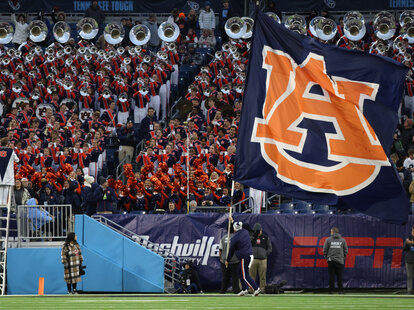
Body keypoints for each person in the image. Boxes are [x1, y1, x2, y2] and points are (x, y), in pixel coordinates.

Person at [226, 217, 260, 296]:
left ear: (234, 229)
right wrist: (232, 221)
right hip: (249, 255)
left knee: (245, 275)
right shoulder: (245, 231)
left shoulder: (235, 238)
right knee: (240, 272)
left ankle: (256, 288)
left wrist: (227, 259)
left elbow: (231, 250)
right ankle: (244, 289)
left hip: (244, 256)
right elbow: (242, 224)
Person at [323, 227, 348, 294]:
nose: (330, 232)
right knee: (339, 276)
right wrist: (342, 258)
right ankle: (341, 291)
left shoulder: (328, 240)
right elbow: (346, 251)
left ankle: (331, 291)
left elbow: (324, 250)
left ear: (332, 232)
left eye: (331, 231)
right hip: (340, 261)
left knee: (331, 276)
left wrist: (327, 258)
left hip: (331, 260)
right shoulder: (343, 240)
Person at [249, 223, 272, 292]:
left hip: (263, 260)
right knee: (251, 276)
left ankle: (262, 289)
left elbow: (269, 248)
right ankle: (251, 289)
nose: (259, 232)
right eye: (257, 230)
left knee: (262, 276)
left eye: (259, 230)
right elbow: (248, 245)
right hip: (253, 259)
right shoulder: (251, 238)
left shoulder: (265, 238)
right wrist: (253, 237)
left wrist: (265, 254)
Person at [219, 224, 240, 294]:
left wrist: (221, 258)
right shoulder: (236, 238)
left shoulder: (223, 238)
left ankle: (222, 291)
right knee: (235, 277)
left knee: (225, 277)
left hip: (224, 260)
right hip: (234, 260)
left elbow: (220, 250)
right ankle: (236, 291)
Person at [403, 227, 414, 294]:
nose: (413, 233)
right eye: (413, 231)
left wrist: (411, 242)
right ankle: (409, 291)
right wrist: (408, 243)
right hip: (409, 260)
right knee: (409, 276)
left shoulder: (409, 240)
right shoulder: (408, 239)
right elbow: (404, 248)